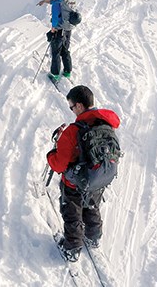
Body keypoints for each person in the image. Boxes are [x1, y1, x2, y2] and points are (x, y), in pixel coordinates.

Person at [46, 85, 121, 262]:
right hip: (99, 177)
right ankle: (93, 237)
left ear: (79, 106)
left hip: (75, 183)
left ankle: (72, 248)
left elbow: (59, 164)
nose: (72, 111)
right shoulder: (106, 122)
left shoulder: (73, 131)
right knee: (92, 205)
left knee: (72, 212)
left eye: (71, 107)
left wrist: (50, 155)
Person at [36, 0, 72, 82]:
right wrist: (44, 1)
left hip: (58, 30)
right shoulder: (62, 2)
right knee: (65, 50)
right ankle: (67, 71)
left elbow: (55, 18)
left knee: (56, 52)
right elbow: (52, 2)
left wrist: (53, 29)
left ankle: (55, 74)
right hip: (67, 30)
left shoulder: (56, 5)